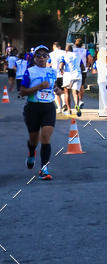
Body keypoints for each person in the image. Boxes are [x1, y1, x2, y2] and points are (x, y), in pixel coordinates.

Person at [19, 45, 58, 180]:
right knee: (34, 139)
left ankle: (43, 169)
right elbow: (22, 92)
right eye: (38, 55)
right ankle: (31, 153)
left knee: (46, 137)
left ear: (48, 57)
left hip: (48, 108)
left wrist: (58, 90)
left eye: (44, 55)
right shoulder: (30, 72)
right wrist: (38, 87)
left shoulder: (53, 72)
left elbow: (54, 87)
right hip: (33, 108)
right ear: (34, 58)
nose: (41, 58)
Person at [61, 44, 84, 117]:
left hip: (68, 75)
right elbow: (82, 67)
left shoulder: (64, 56)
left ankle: (69, 110)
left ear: (66, 50)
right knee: (75, 93)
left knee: (67, 93)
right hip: (77, 75)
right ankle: (77, 105)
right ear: (72, 50)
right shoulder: (77, 56)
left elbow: (60, 65)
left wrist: (62, 70)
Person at [49, 42, 67, 113]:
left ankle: (59, 108)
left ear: (54, 47)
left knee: (56, 92)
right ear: (59, 47)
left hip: (54, 75)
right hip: (64, 75)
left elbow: (48, 63)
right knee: (64, 91)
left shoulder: (51, 54)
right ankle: (65, 104)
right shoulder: (64, 53)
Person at [73, 37, 88, 104]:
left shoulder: (72, 50)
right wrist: (88, 64)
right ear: (82, 45)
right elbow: (90, 58)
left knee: (74, 85)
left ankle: (76, 99)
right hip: (83, 69)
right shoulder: (85, 51)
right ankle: (81, 99)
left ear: (75, 44)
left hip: (74, 70)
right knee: (81, 85)